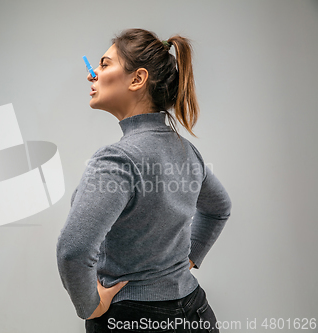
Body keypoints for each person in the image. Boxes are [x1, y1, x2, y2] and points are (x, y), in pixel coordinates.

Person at [56, 28, 232, 333]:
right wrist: (189, 260)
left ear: (137, 79)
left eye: (104, 64)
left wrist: (91, 306)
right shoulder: (186, 150)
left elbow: (73, 250)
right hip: (196, 312)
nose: (92, 74)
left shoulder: (117, 159)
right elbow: (220, 208)